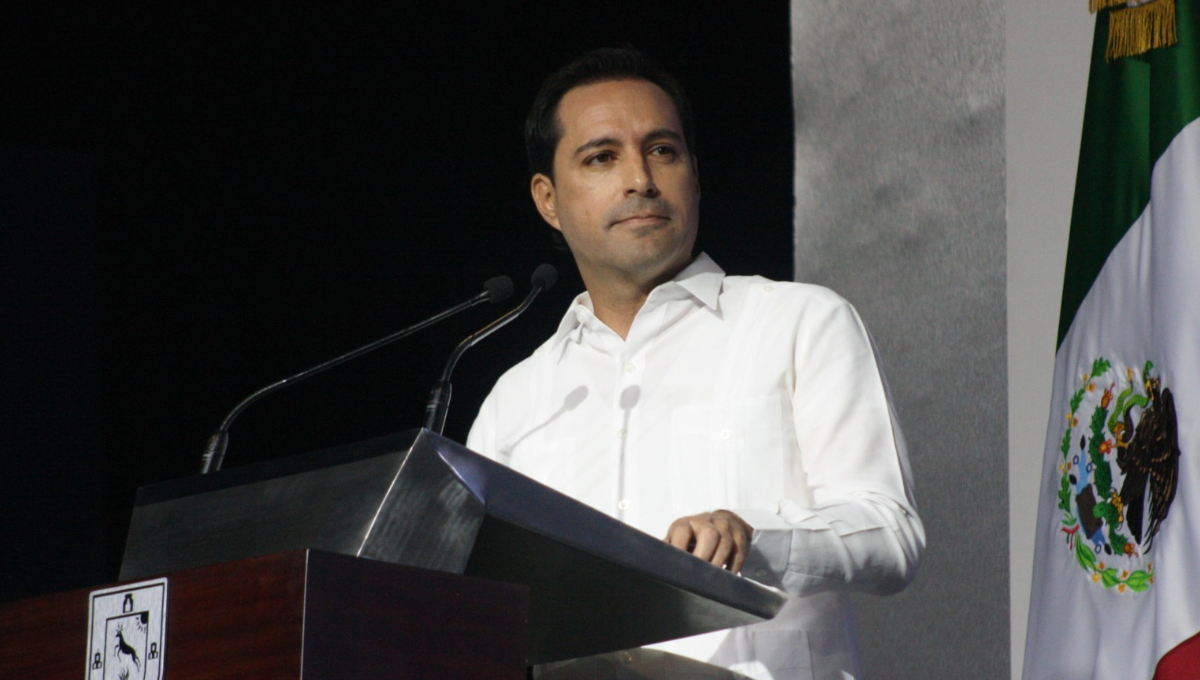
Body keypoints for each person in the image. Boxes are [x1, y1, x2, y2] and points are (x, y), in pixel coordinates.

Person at [467, 47, 924, 680]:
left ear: (695, 175)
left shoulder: (798, 321)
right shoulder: (515, 399)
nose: (640, 179)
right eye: (602, 158)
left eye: (662, 151)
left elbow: (889, 534)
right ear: (548, 199)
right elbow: (479, 605)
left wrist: (755, 538)